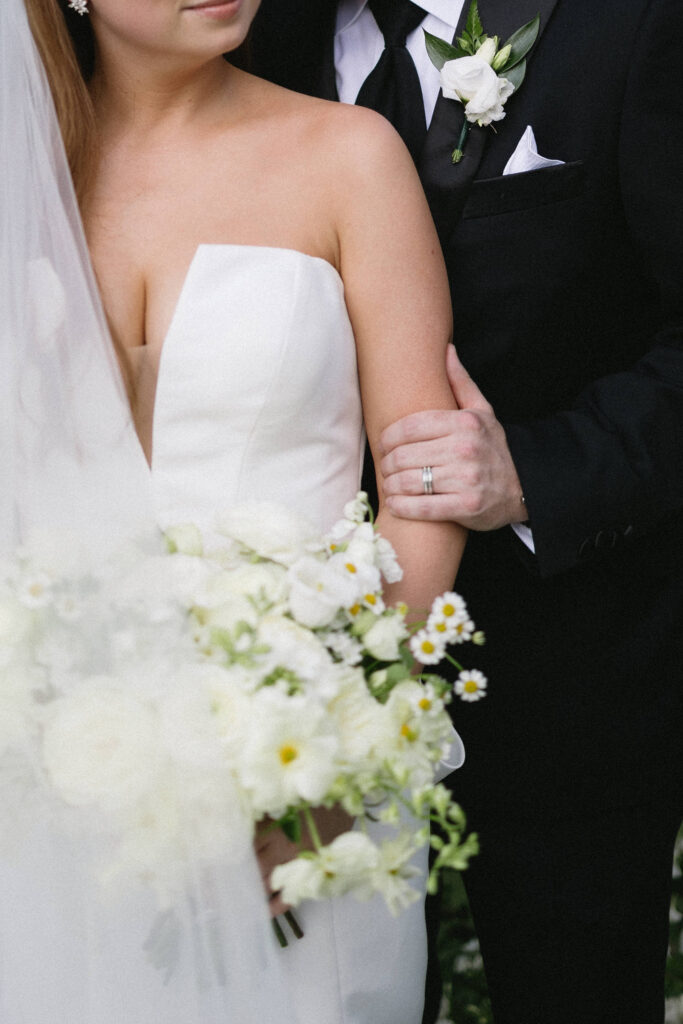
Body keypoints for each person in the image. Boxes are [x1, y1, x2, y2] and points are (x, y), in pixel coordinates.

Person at [0, 0, 467, 1021]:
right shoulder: (16, 181)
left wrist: (340, 757)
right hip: (57, 791)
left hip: (306, 766)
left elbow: (423, 492)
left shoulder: (348, 155)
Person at [247, 2, 683, 1022]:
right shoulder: (252, 32)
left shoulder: (630, 28)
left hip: (565, 678)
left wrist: (537, 471)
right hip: (290, 684)